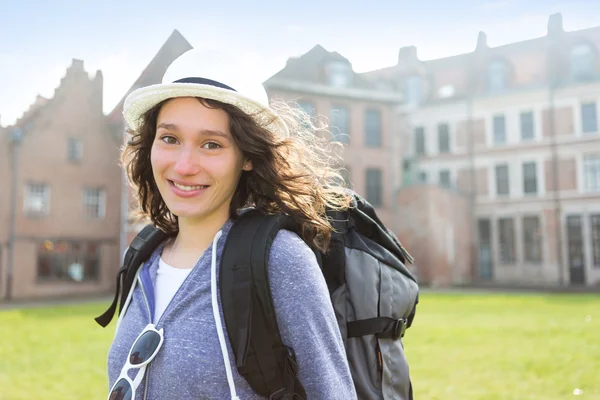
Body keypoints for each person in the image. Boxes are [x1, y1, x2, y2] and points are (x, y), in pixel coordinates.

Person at [106, 48, 358, 400]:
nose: (183, 165)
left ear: (248, 159)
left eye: (211, 144)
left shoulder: (281, 260)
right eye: (170, 139)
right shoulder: (144, 256)